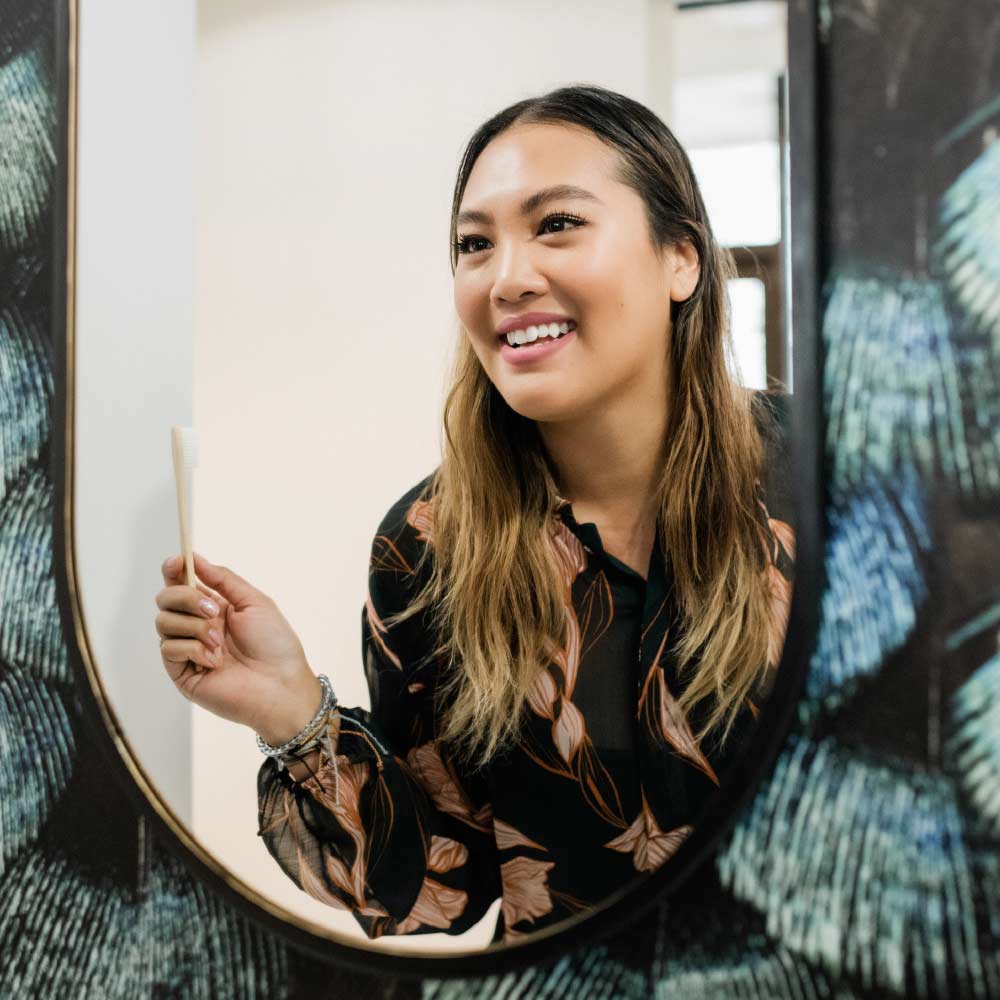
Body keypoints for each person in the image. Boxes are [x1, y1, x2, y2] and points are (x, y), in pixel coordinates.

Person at [154, 84, 795, 944]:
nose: (508, 278)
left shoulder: (832, 478)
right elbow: (439, 888)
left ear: (681, 258)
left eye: (557, 223)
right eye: (473, 244)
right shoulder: (427, 548)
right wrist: (290, 710)